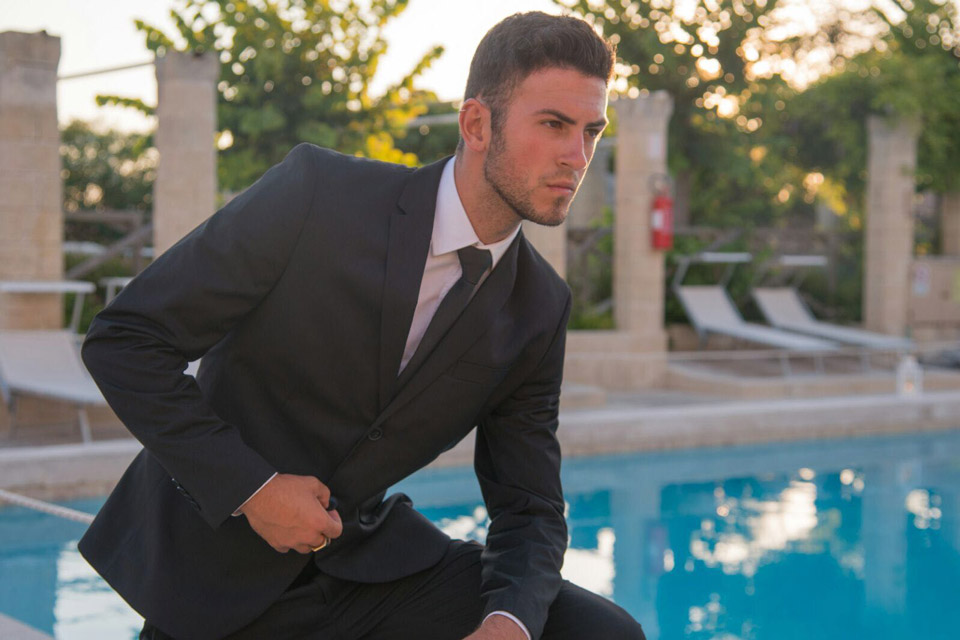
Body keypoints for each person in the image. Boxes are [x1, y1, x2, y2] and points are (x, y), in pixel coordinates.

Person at [79, 11, 645, 640]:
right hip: (212, 567)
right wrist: (253, 490)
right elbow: (125, 340)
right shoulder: (320, 194)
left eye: (591, 131)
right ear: (476, 125)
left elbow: (529, 506)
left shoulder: (540, 304)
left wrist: (508, 622)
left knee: (601, 633)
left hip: (366, 565)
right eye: (554, 125)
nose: (577, 156)